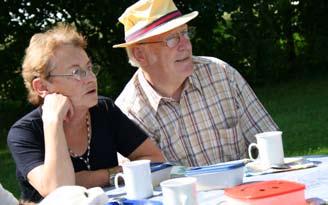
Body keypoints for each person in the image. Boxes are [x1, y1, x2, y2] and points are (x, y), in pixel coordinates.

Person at [7, 24, 164, 203]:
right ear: (42, 87)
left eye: (89, 68)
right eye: (76, 72)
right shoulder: (24, 132)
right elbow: (61, 193)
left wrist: (95, 177)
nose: (91, 78)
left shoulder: (104, 110)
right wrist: (53, 122)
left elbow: (154, 159)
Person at [114, 0, 279, 167]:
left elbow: (269, 142)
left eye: (185, 33)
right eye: (172, 39)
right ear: (140, 54)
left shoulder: (221, 74)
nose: (186, 44)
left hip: (246, 190)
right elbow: (143, 184)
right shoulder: (128, 114)